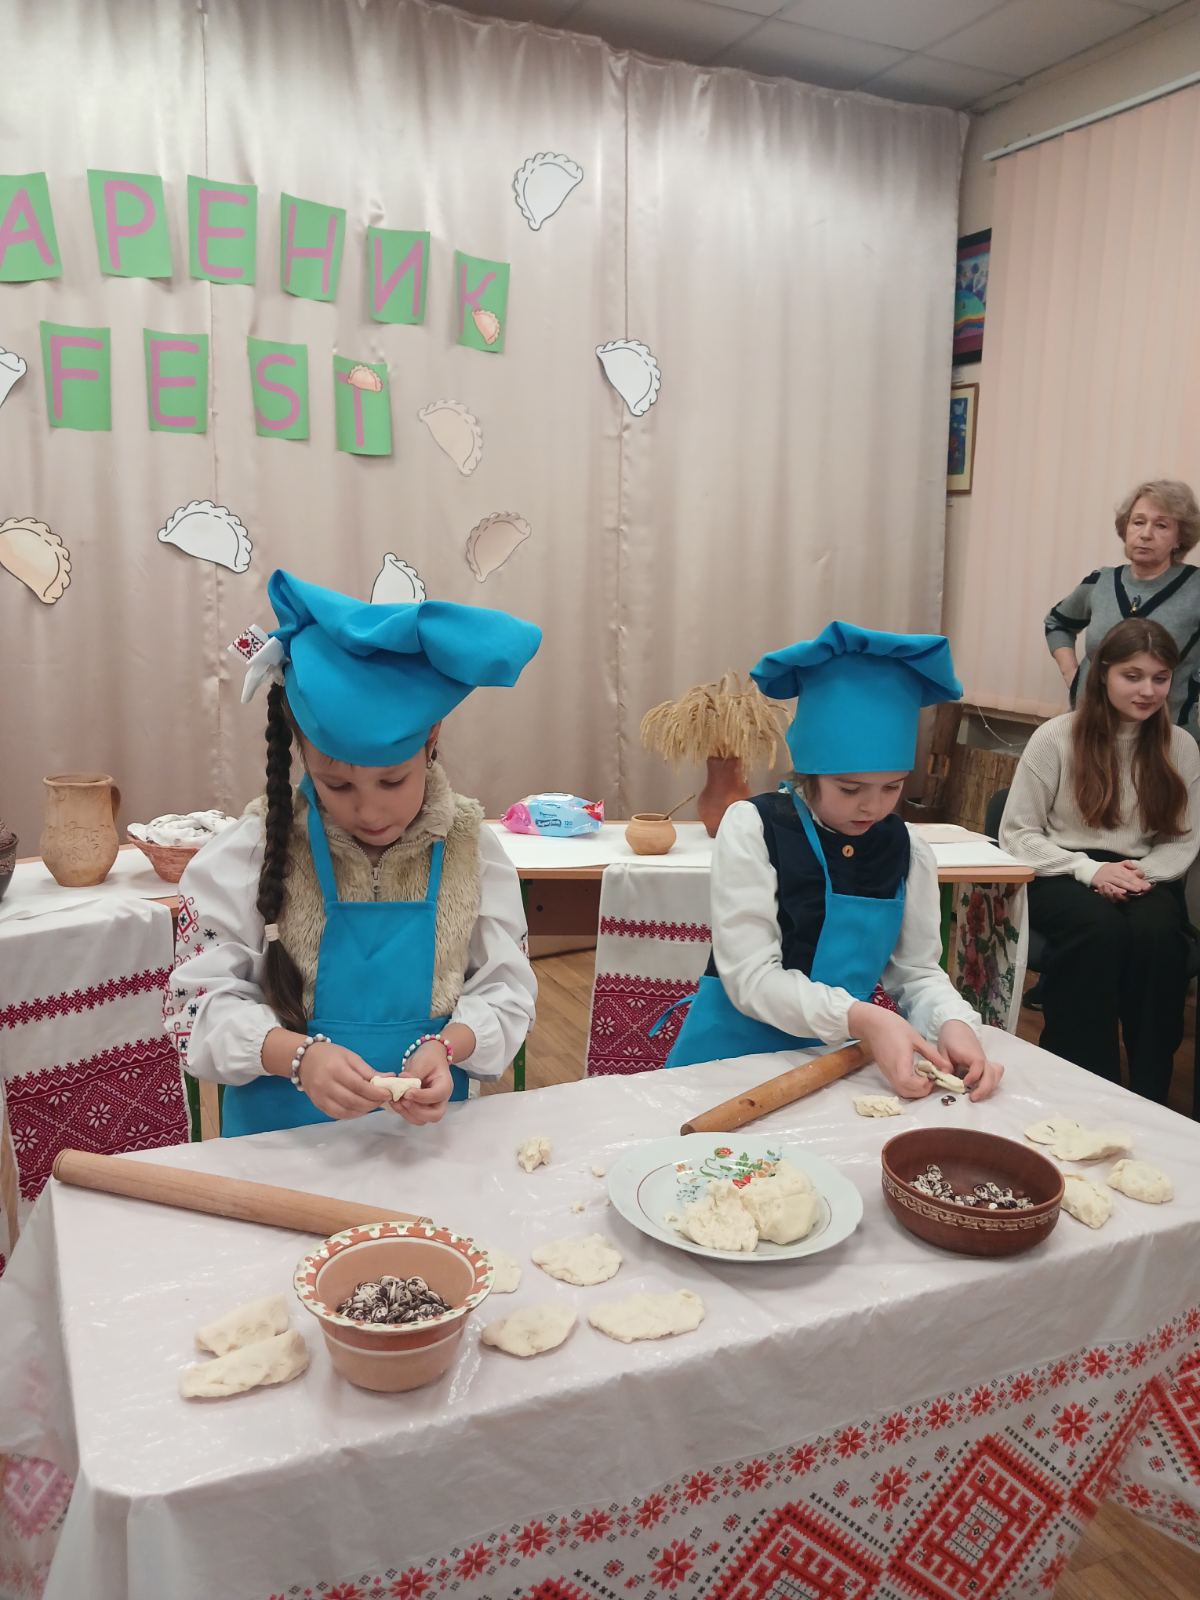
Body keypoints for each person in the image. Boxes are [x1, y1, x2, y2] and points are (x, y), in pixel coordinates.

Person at [164, 570, 541, 1136]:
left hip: (426, 1145)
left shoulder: (470, 849)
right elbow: (197, 1008)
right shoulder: (251, 852)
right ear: (300, 753)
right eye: (336, 785)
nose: (369, 811)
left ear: (432, 739)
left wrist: (448, 1046)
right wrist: (296, 1057)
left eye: (393, 781)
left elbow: (507, 991)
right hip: (278, 1149)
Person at [660, 622, 1004, 1102]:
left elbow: (916, 972)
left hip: (836, 1064)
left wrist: (952, 1023)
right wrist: (862, 1018)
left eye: (892, 787)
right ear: (810, 772)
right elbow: (750, 978)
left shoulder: (907, 849)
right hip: (728, 1060)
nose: (873, 807)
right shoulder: (755, 827)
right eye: (850, 789)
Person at [1001, 618, 1200, 1103]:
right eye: (1133, 676)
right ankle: (1084, 1088)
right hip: (1060, 868)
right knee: (1099, 931)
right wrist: (1090, 871)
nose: (1148, 690)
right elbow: (1017, 833)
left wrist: (1135, 876)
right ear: (1103, 673)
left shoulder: (1181, 745)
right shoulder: (1056, 737)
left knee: (1158, 937)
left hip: (1143, 872)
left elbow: (1182, 840)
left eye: (1160, 678)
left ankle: (1149, 1093)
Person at [1044, 479, 1200, 728]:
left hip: (1163, 735)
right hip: (1091, 727)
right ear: (1125, 528)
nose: (1145, 534)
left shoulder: (1195, 588)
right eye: (1138, 522)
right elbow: (1057, 623)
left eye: (1161, 525)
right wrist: (1073, 676)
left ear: (1179, 538)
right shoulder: (1101, 582)